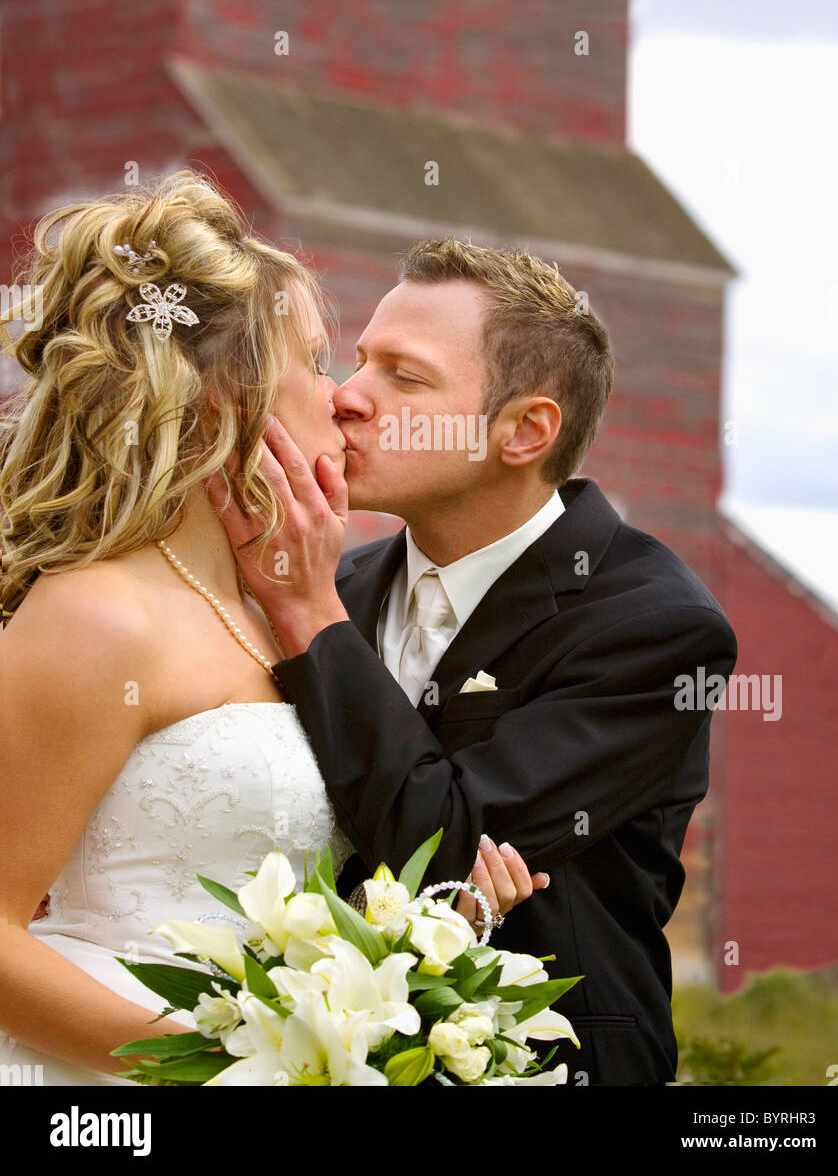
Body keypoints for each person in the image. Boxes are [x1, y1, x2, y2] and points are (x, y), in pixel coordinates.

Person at [0, 173, 534, 1086]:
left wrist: (441, 932)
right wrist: (210, 1065)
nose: (344, 399)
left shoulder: (276, 617)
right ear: (226, 389)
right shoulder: (96, 614)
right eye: (319, 362)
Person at [209, 238, 739, 1086]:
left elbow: (446, 846)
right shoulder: (338, 584)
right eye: (359, 363)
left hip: (553, 1063)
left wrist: (308, 615)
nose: (348, 398)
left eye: (405, 379)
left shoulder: (658, 627)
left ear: (524, 430)